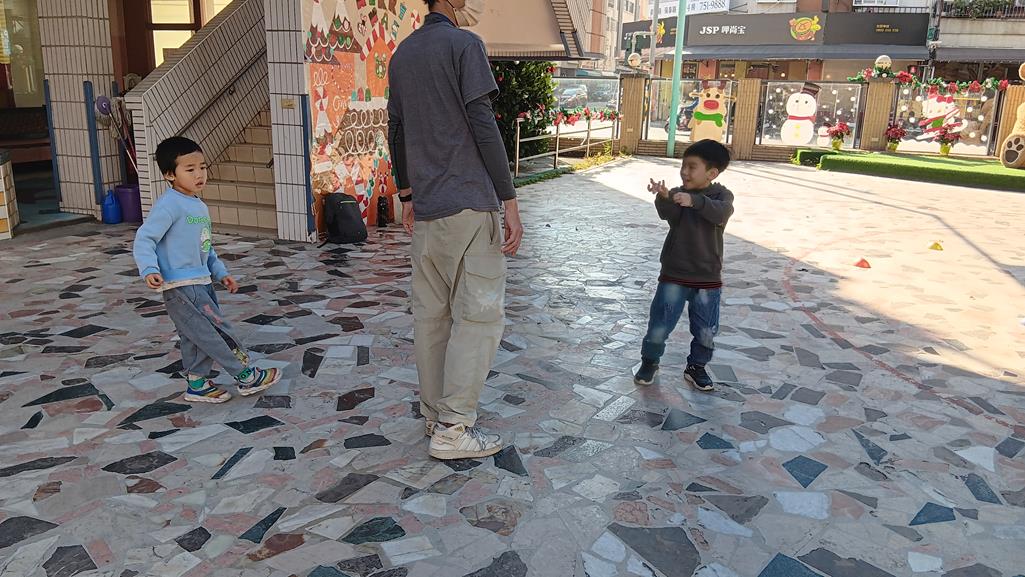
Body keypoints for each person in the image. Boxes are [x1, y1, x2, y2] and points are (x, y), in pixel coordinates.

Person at [387, 0, 524, 460]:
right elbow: (482, 122)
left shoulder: (403, 53)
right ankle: (453, 428)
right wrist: (509, 199)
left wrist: (407, 194)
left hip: (428, 210)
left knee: (431, 319)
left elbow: (396, 128)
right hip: (469, 203)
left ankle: (434, 417)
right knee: (478, 319)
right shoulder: (465, 44)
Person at [133, 137, 281, 403]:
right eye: (190, 169)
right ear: (169, 174)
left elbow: (205, 245)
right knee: (215, 330)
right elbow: (145, 238)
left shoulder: (198, 205)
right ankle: (245, 375)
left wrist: (220, 272)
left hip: (201, 281)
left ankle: (198, 383)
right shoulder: (169, 205)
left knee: (195, 335)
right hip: (180, 286)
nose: (199, 174)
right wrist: (149, 268)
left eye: (202, 167)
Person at [634, 139, 734, 392]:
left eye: (692, 167)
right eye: (683, 166)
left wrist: (695, 202)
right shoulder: (678, 193)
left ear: (712, 173)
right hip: (674, 274)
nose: (684, 172)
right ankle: (650, 361)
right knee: (659, 325)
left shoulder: (721, 196)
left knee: (706, 331)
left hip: (707, 278)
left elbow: (721, 213)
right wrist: (664, 197)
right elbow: (668, 215)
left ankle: (696, 366)